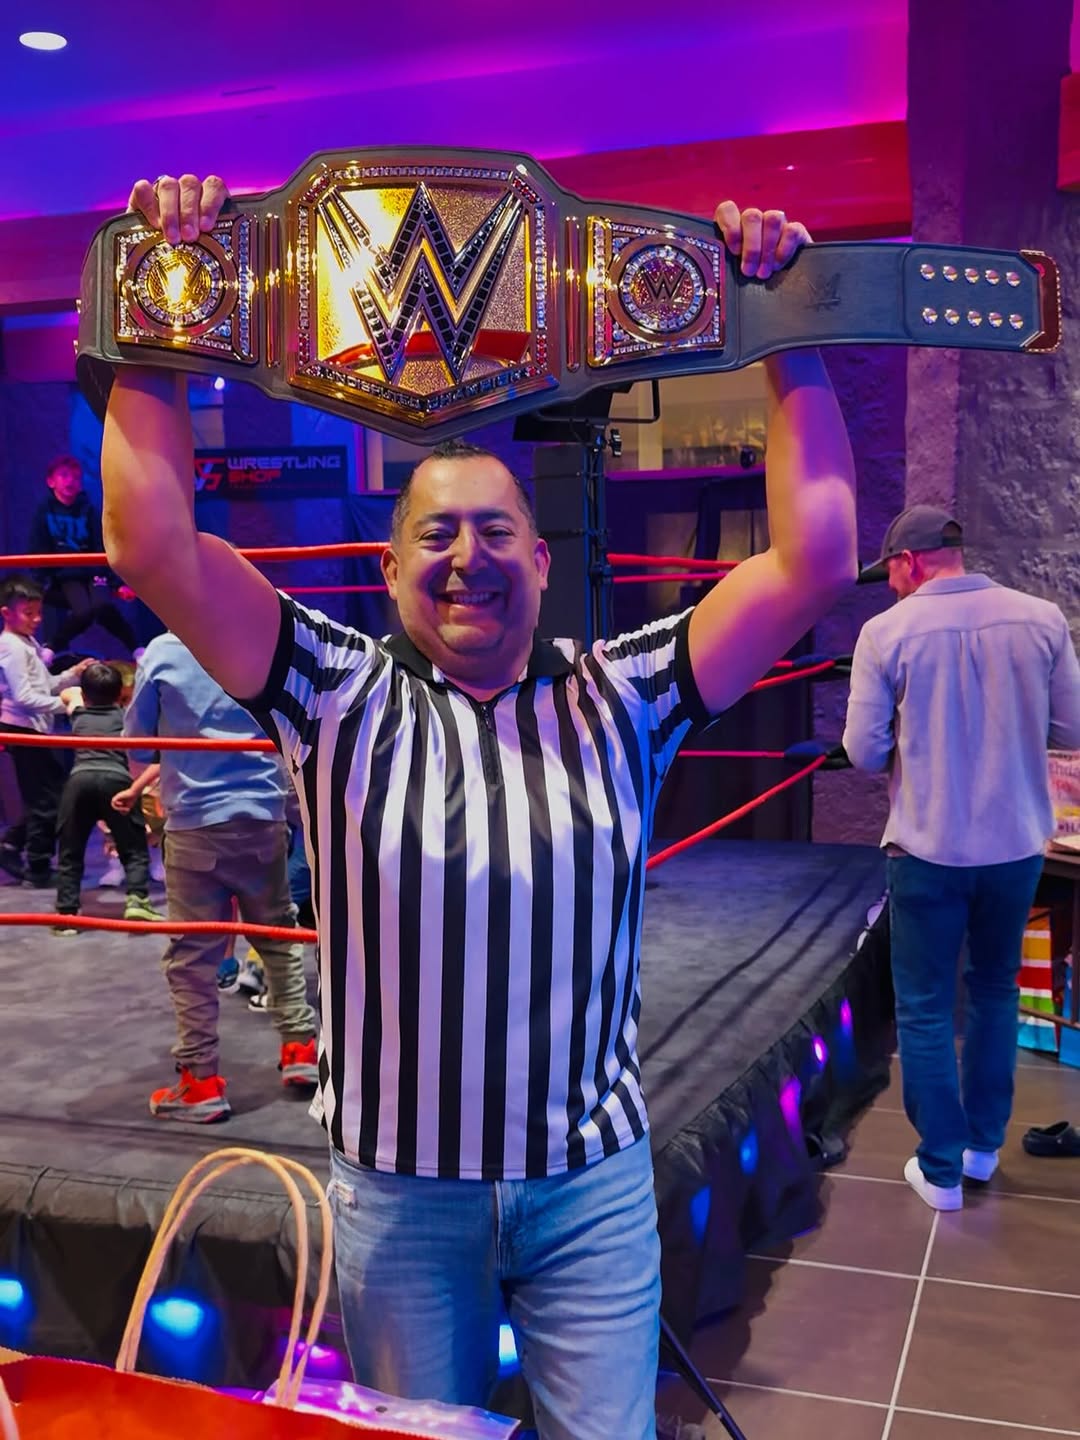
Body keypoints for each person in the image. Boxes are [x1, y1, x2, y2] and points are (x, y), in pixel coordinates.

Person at [100, 173, 857, 1440]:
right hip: (404, 1198)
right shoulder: (333, 692)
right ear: (391, 566)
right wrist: (161, 299)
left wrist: (785, 321)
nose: (468, 557)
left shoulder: (626, 692)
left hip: (590, 1188)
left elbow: (817, 557)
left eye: (497, 531)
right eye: (438, 534)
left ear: (543, 561)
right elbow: (150, 545)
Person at [843, 505, 1080, 1211]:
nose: (890, 586)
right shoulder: (1041, 619)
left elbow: (863, 752)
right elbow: (1071, 728)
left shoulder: (885, 633)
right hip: (1015, 847)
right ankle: (981, 1148)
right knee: (996, 990)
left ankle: (941, 1169)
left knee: (922, 1007)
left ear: (909, 561)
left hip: (928, 847)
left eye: (890, 572)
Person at [118, 632, 319, 1121]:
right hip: (263, 815)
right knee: (277, 936)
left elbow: (137, 741)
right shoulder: (261, 636)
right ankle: (301, 1048)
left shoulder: (165, 651)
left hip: (197, 821)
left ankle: (200, 1080)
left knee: (193, 956)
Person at [52, 661, 162, 934]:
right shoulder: (126, 717)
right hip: (116, 781)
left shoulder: (79, 712)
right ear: (120, 693)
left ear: (85, 694)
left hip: (80, 781)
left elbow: (68, 693)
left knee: (70, 849)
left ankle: (66, 914)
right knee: (133, 846)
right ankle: (137, 899)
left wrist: (83, 686)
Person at [0, 577, 90, 885]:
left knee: (51, 795)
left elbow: (43, 686)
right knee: (46, 801)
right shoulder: (11, 646)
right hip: (20, 728)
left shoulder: (27, 643)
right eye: (29, 613)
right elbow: (24, 697)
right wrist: (67, 704)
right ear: (6, 613)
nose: (37, 619)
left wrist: (72, 675)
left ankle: (12, 844)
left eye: (39, 612)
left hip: (33, 728)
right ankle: (37, 867)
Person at [27, 455, 138, 656]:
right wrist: (41, 581)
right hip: (66, 575)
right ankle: (51, 648)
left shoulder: (88, 510)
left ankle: (137, 649)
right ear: (51, 481)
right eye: (64, 476)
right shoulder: (44, 511)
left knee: (103, 607)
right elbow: (38, 545)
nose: (71, 481)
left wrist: (116, 583)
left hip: (93, 573)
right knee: (84, 611)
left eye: (76, 477)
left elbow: (101, 546)